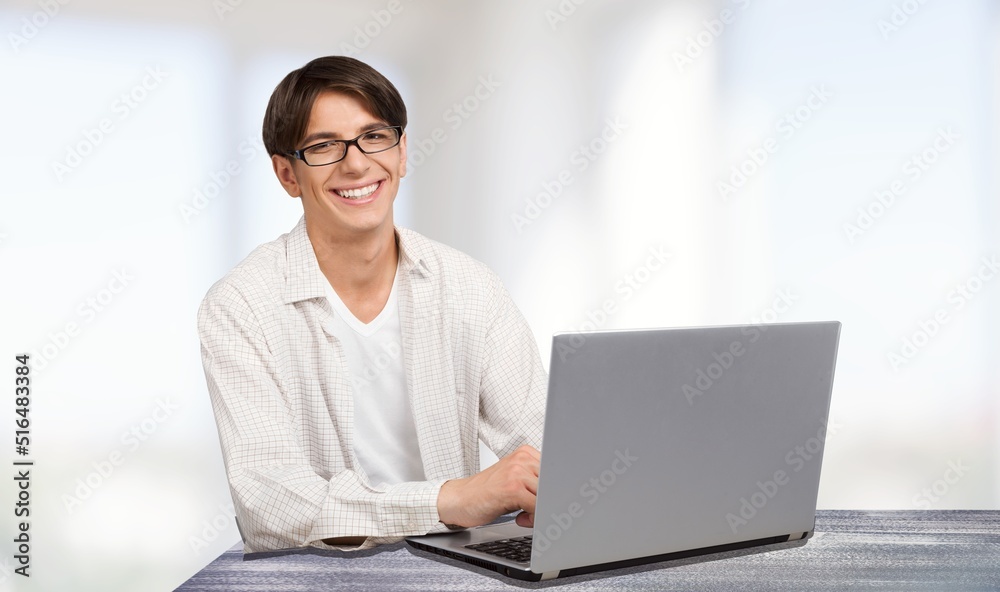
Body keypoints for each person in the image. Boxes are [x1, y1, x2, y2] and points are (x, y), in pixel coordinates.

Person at [197, 56, 547, 553]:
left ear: (402, 152)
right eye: (323, 146)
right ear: (286, 175)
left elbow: (542, 446)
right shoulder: (240, 306)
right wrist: (448, 500)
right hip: (313, 577)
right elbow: (271, 503)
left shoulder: (471, 288)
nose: (357, 163)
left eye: (374, 137)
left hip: (461, 568)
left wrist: (556, 485)